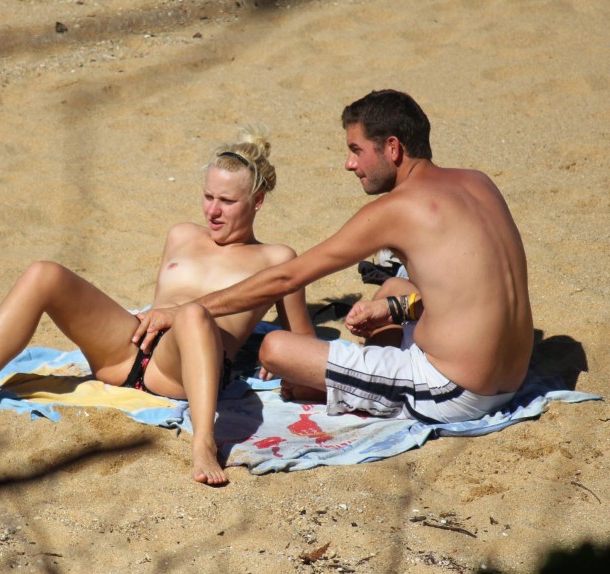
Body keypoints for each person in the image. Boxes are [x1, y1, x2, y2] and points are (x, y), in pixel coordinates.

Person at [0, 126, 315, 486]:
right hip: (126, 351)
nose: (212, 211)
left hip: (181, 374)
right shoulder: (182, 234)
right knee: (44, 273)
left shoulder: (277, 259)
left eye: (227, 201)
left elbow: (303, 342)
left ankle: (203, 440)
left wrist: (274, 354)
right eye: (207, 196)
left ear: (257, 200)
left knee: (192, 312)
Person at [134, 90, 534, 424]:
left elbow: (286, 279)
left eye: (356, 150)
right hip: (509, 378)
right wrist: (396, 306)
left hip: (453, 392)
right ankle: (376, 353)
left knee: (276, 349)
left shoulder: (398, 208)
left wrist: (184, 311)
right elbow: (468, 290)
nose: (349, 164)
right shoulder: (478, 183)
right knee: (394, 285)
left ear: (392, 148)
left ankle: (334, 387)